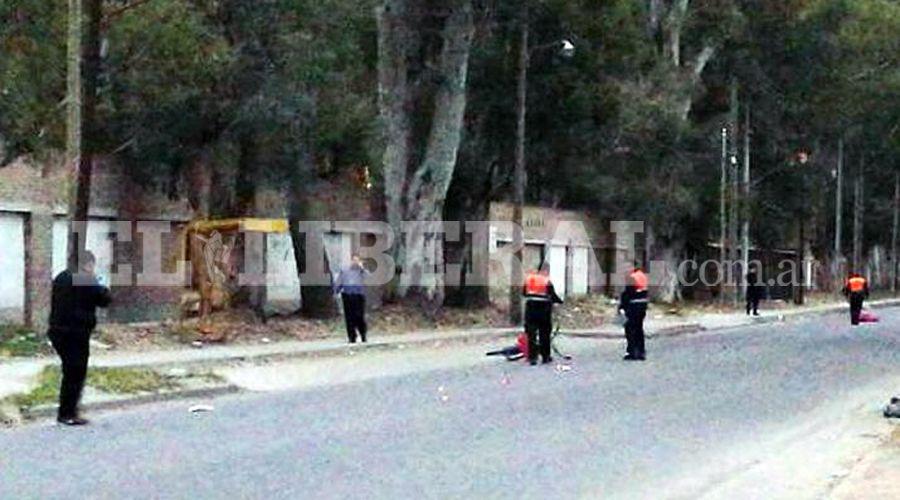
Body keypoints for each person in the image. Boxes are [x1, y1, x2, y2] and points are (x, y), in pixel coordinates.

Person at [47, 251, 112, 426]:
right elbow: (105, 299)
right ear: (87, 264)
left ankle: (66, 411)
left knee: (69, 372)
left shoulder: (61, 277)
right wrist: (100, 282)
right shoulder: (85, 279)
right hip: (76, 333)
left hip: (58, 331)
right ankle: (68, 413)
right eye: (92, 265)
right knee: (76, 373)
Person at [522, 265, 563, 365]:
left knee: (531, 334)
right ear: (545, 271)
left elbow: (524, 293)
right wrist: (560, 302)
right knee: (544, 333)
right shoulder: (546, 281)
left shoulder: (529, 280)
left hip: (531, 309)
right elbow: (552, 295)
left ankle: (532, 357)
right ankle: (545, 356)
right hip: (544, 310)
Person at [334, 254, 368, 343]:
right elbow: (339, 281)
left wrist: (362, 268)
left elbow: (368, 278)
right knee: (349, 317)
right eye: (354, 260)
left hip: (358, 295)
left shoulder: (361, 271)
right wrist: (336, 291)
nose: (355, 262)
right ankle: (352, 337)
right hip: (347, 295)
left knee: (359, 316)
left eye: (357, 260)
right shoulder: (345, 270)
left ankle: (363, 334)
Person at [619, 266, 649, 361]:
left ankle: (632, 351)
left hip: (632, 306)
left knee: (630, 329)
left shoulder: (631, 277)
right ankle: (641, 351)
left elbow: (628, 293)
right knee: (639, 328)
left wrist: (621, 306)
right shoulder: (642, 276)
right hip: (642, 306)